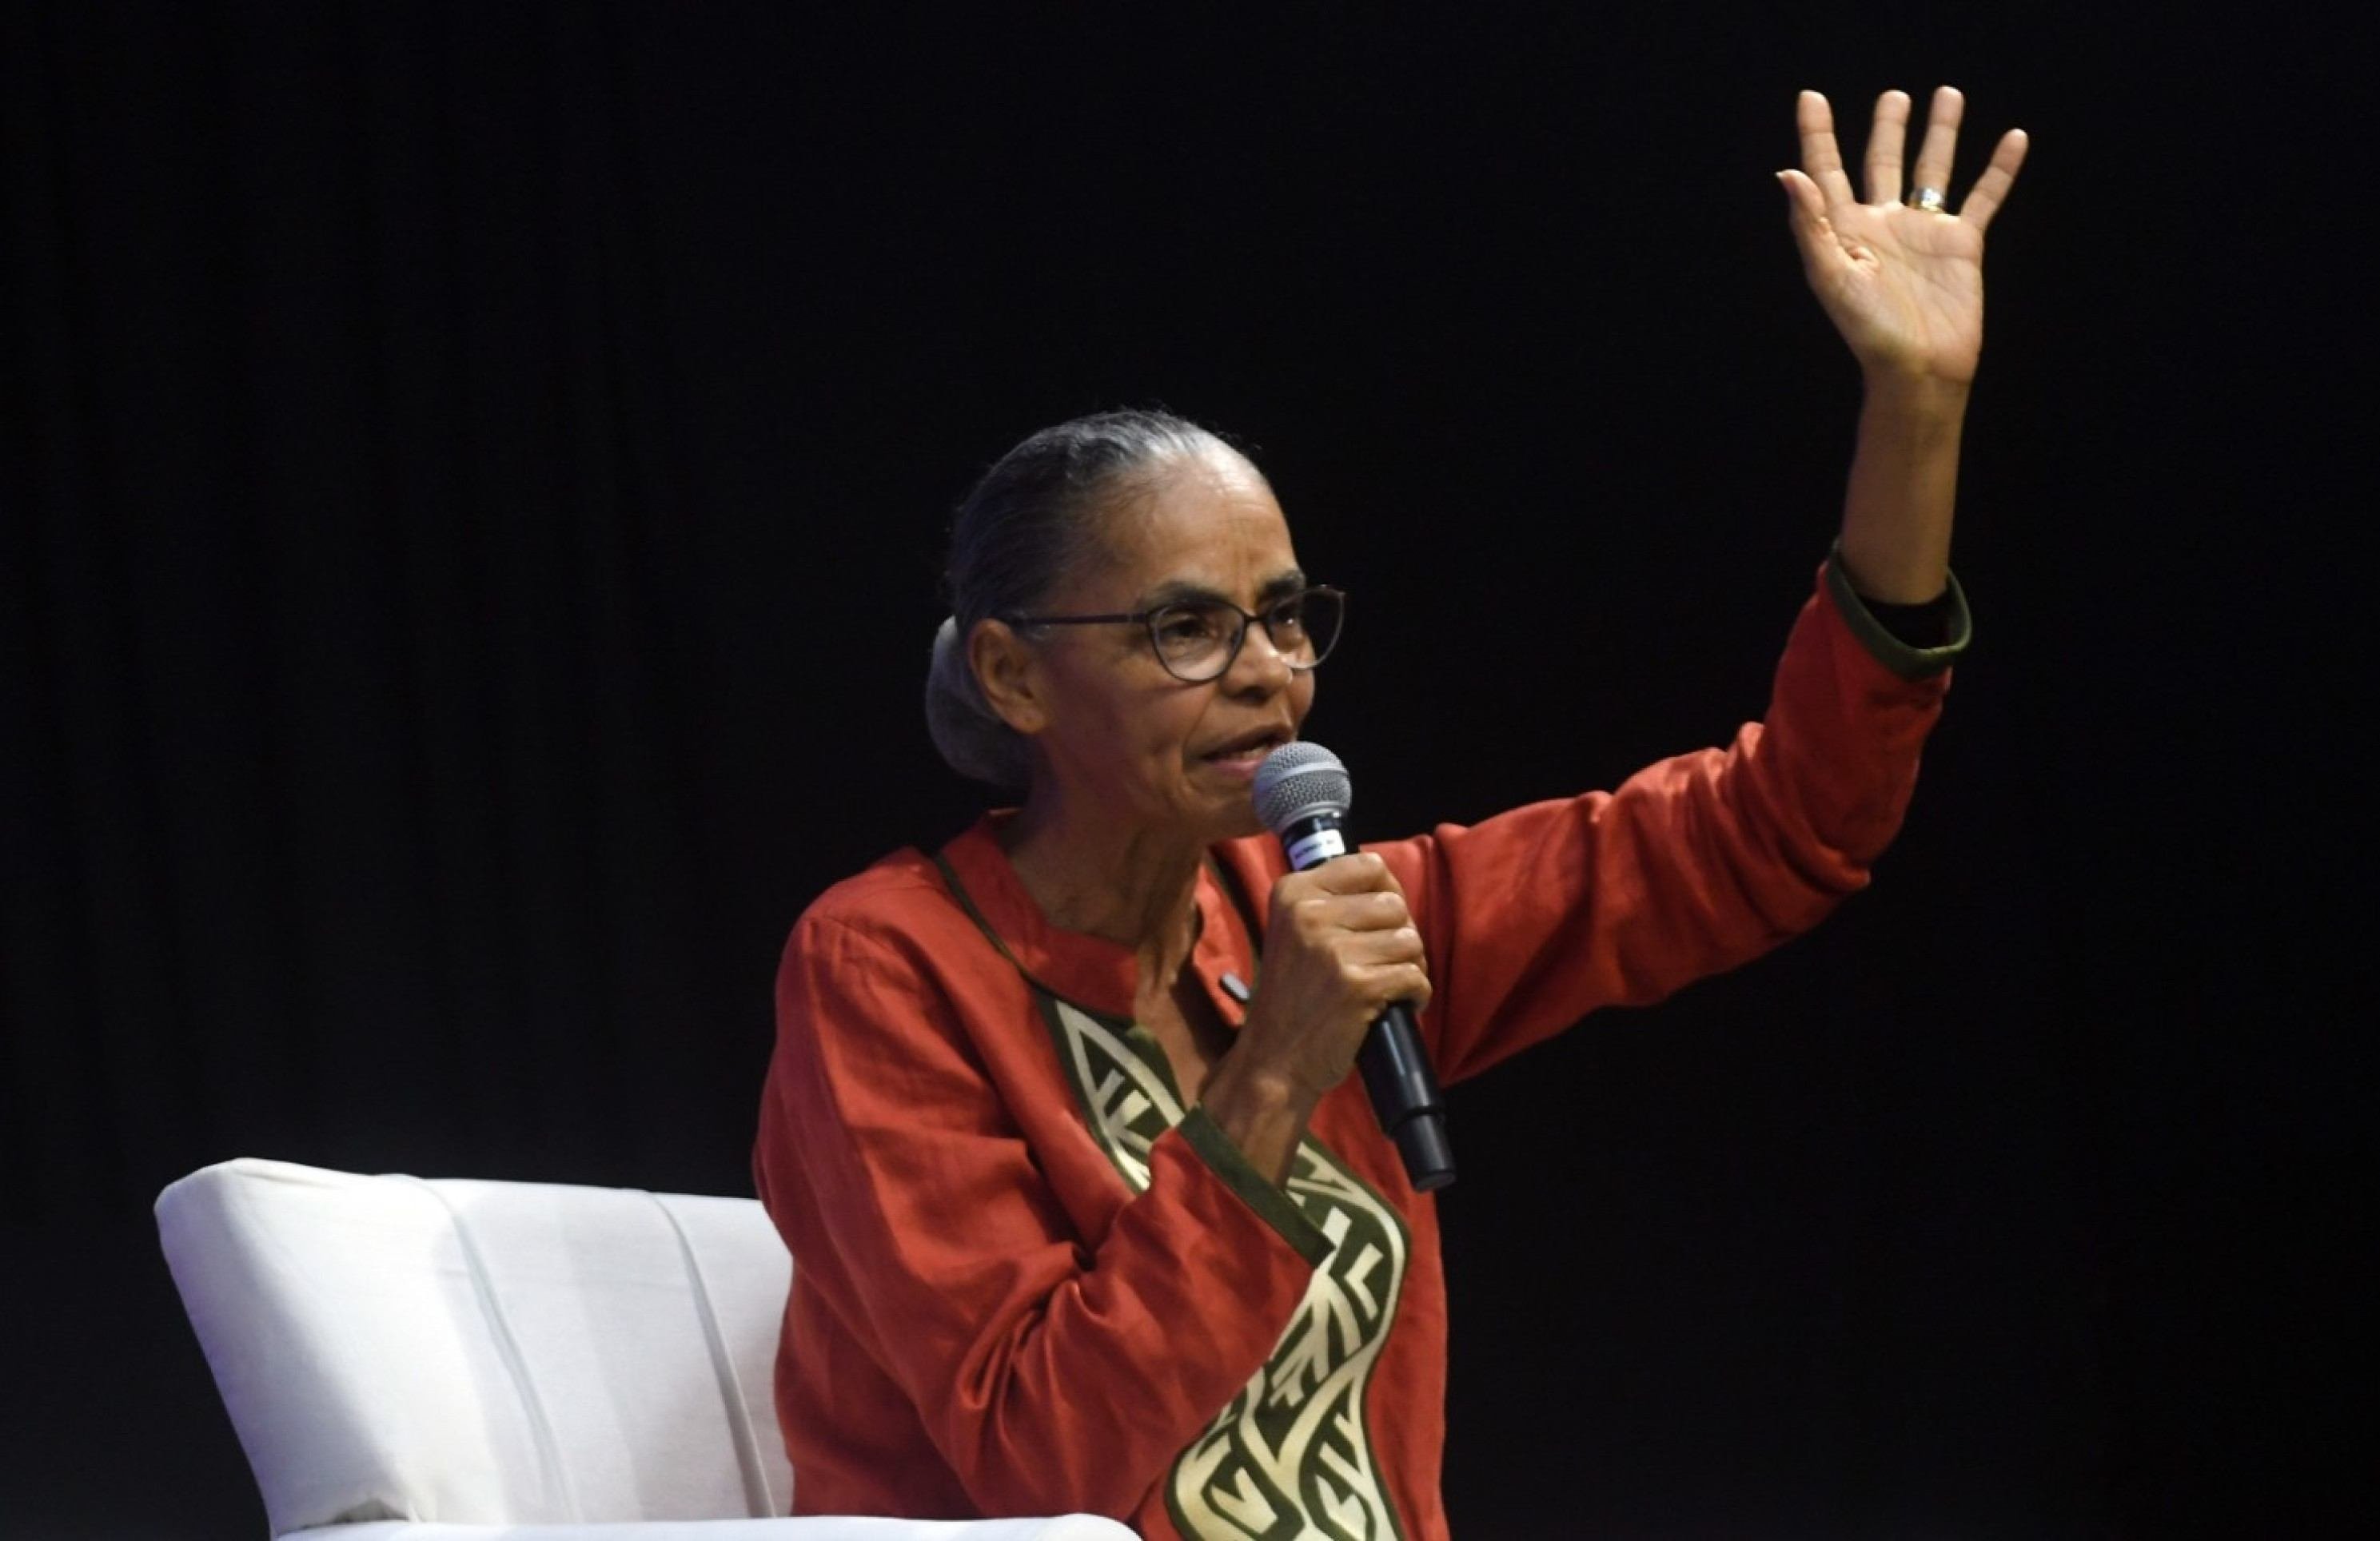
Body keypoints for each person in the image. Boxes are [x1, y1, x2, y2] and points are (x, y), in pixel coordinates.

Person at [753, 87, 2027, 1541]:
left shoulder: (1322, 918)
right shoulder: (888, 966)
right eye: (1186, 628)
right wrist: (1275, 1070)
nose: (1267, 673)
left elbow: (1782, 827)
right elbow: (1036, 1470)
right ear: (1012, 675)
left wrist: (1914, 410)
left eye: (1285, 616)